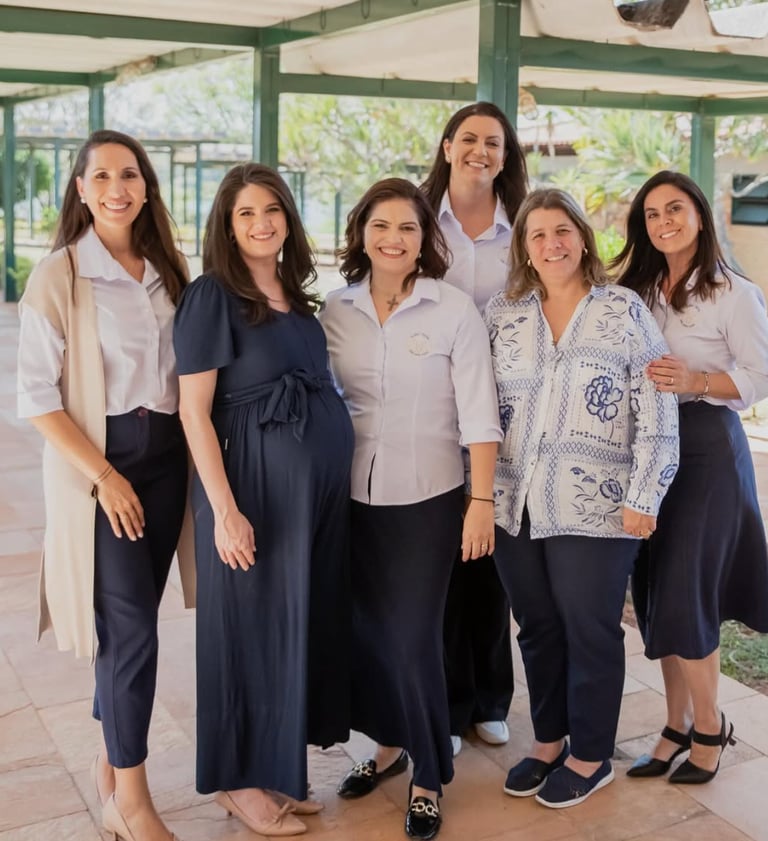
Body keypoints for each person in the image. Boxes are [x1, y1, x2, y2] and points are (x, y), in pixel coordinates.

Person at [17, 130, 193, 841]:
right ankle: (130, 800)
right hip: (102, 469)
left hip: (168, 463)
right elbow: (37, 398)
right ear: (81, 189)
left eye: (129, 175)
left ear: (146, 187)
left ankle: (108, 759)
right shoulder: (58, 275)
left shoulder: (168, 269)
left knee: (131, 626)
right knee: (132, 632)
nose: (117, 188)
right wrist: (105, 477)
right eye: (102, 177)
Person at [173, 163, 353, 838]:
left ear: (288, 219)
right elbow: (194, 412)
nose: (261, 223)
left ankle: (274, 768)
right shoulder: (211, 297)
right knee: (243, 631)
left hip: (310, 503)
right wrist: (224, 510)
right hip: (249, 490)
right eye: (245, 213)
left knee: (287, 629)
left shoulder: (298, 300)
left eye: (271, 210)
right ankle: (236, 780)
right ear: (227, 225)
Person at [485, 188, 679, 808]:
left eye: (563, 230)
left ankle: (591, 755)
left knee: (589, 627)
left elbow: (657, 407)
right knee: (537, 626)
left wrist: (646, 493)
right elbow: (478, 406)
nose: (552, 244)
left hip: (599, 503)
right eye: (538, 234)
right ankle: (549, 741)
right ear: (524, 247)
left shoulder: (623, 311)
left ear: (583, 237)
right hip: (514, 499)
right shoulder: (503, 314)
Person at [321, 177, 501, 840]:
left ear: (426, 238)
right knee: (368, 631)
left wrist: (480, 501)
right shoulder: (335, 309)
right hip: (350, 498)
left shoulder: (452, 309)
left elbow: (480, 414)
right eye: (380, 225)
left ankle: (428, 773)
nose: (392, 238)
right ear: (361, 234)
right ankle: (387, 746)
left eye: (406, 226)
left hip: (429, 499)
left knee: (414, 637)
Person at [613, 170, 768, 784]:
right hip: (648, 452)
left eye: (674, 209)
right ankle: (675, 724)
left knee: (688, 592)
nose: (664, 222)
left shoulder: (732, 292)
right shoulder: (637, 289)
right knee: (655, 594)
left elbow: (761, 375)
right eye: (652, 214)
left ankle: (710, 726)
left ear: (699, 215)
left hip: (706, 447)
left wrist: (697, 380)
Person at [422, 101, 528, 756]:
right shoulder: (417, 219)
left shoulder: (524, 227)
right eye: (468, 139)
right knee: (440, 562)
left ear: (505, 155)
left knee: (489, 558)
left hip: (506, 411)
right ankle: (447, 700)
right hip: (432, 407)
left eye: (493, 142)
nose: (479, 151)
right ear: (446, 147)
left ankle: (490, 699)